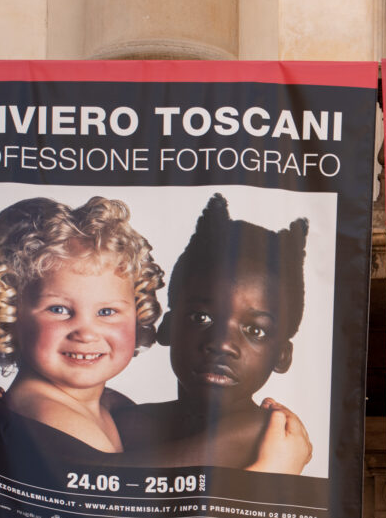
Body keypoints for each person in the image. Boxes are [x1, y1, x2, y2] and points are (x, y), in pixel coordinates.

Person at [0, 195, 311, 473]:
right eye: (59, 309)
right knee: (253, 430)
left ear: (140, 316)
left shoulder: (100, 404)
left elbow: (143, 421)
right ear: (9, 314)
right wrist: (271, 469)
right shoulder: (50, 412)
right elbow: (119, 491)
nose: (85, 331)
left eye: (107, 311)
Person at [117, 193, 313, 472]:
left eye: (255, 330)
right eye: (202, 317)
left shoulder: (260, 432)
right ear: (168, 327)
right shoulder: (130, 419)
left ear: (282, 356)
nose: (222, 344)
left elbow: (90, 474)